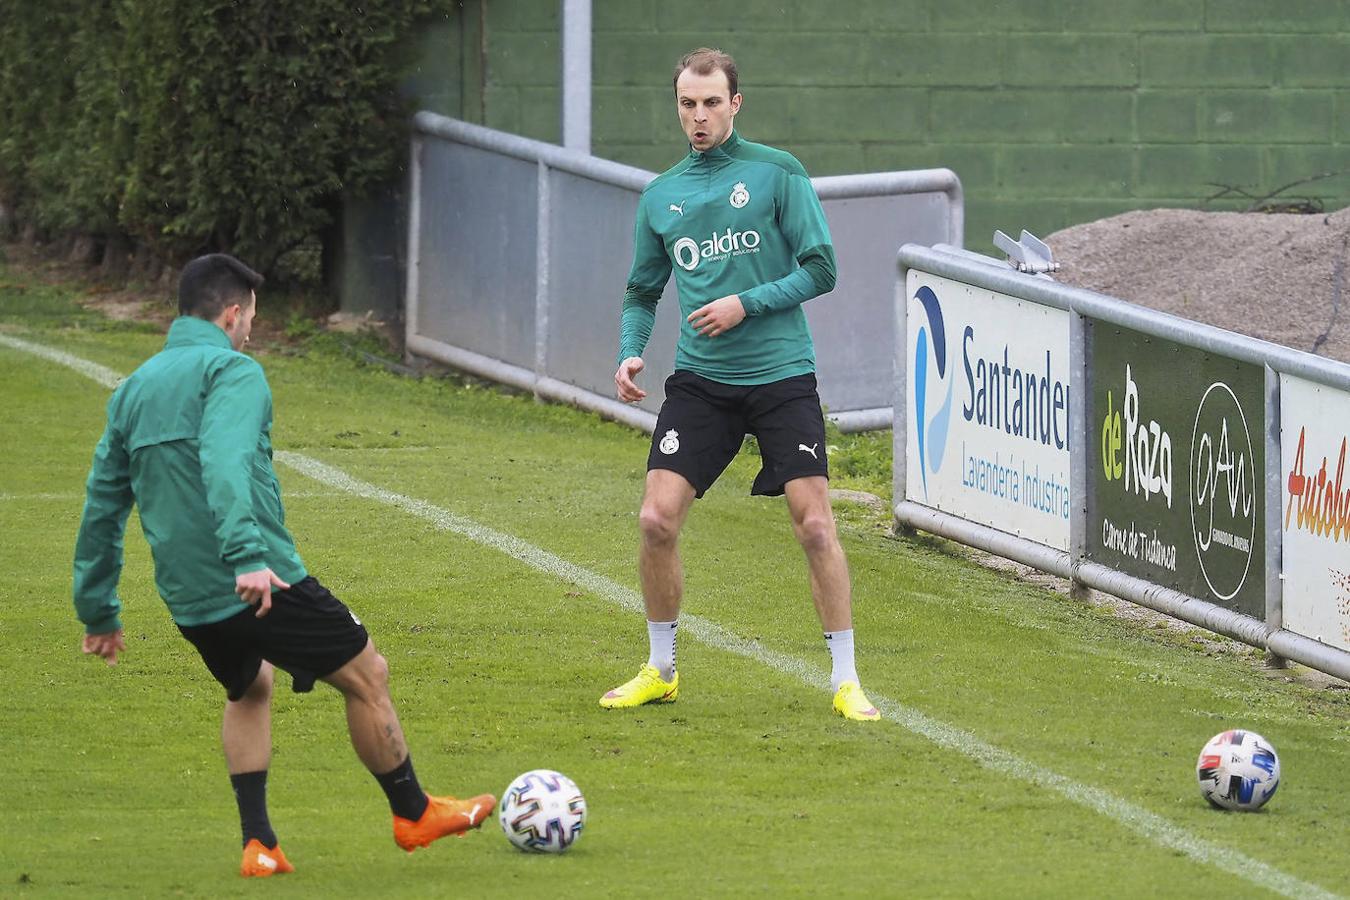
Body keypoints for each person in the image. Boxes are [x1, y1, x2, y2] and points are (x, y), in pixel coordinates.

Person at [72, 254, 495, 877]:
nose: (250, 330)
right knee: (367, 673)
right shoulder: (232, 371)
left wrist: (99, 610)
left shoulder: (134, 389)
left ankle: (260, 845)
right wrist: (246, 557)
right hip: (259, 579)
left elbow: (102, 507)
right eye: (251, 318)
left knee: (251, 685)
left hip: (189, 597)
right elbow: (223, 457)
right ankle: (413, 812)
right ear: (234, 313)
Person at [602, 48, 881, 722]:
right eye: (687, 105)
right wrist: (630, 353)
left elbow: (822, 269)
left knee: (815, 525)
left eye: (711, 103)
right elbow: (642, 291)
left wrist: (745, 304)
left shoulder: (777, 173)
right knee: (655, 518)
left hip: (781, 374)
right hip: (700, 381)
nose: (698, 117)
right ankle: (661, 669)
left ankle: (846, 681)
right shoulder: (661, 194)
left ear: (735, 104)